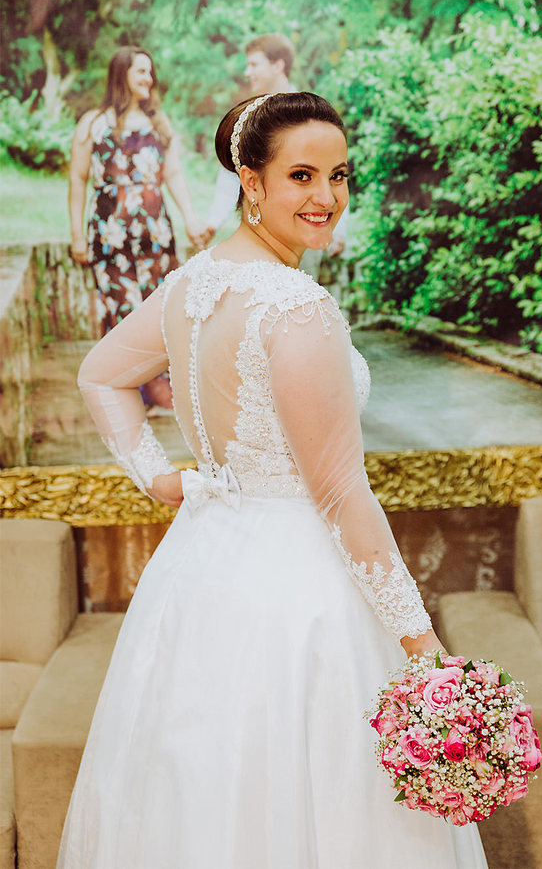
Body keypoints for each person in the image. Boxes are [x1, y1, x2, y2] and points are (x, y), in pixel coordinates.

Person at [60, 92, 487, 868]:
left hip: (201, 562)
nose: (326, 197)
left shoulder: (194, 281)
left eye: (340, 175)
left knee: (200, 792)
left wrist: (162, 480)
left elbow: (102, 374)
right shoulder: (297, 308)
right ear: (250, 181)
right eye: (301, 176)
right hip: (299, 589)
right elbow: (338, 492)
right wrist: (422, 645)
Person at [68, 46, 206, 414]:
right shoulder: (93, 124)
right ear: (121, 74)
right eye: (141, 71)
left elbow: (173, 174)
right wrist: (77, 235)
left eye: (150, 72)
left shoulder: (158, 123)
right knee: (121, 311)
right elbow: (78, 181)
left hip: (154, 234)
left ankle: (161, 394)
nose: (149, 79)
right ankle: (125, 394)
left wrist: (190, 218)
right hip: (109, 235)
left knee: (159, 312)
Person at [203, 34, 347, 259]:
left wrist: (339, 231)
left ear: (278, 65)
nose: (247, 72)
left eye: (254, 64)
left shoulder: (314, 117)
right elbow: (230, 176)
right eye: (301, 175)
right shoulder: (249, 119)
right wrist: (213, 221)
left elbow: (330, 173)